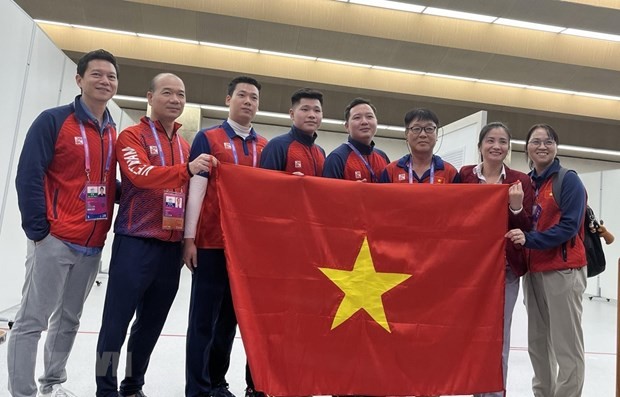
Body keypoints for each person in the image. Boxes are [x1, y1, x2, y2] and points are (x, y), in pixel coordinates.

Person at [95, 73, 215, 397]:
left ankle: (132, 385)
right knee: (115, 326)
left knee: (148, 328)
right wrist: (186, 170)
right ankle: (105, 390)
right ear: (150, 97)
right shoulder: (131, 137)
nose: (175, 99)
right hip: (134, 242)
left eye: (181, 94)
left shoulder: (185, 145)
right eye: (167, 93)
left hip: (170, 250)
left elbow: (191, 195)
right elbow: (140, 175)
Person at [9, 49, 119, 397]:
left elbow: (105, 183)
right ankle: (22, 392)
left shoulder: (113, 131)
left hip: (92, 243)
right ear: (79, 80)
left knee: (68, 321)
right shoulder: (54, 120)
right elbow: (28, 174)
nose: (105, 81)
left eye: (111, 76)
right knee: (31, 322)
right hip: (55, 239)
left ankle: (53, 383)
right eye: (97, 74)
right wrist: (39, 231)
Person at [184, 76, 268, 397]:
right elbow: (196, 190)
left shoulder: (265, 147)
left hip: (248, 252)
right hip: (211, 244)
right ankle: (198, 389)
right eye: (242, 95)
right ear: (228, 100)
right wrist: (188, 239)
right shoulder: (208, 138)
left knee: (231, 322)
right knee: (204, 322)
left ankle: (218, 383)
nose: (248, 101)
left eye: (254, 98)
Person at [506, 124, 587, 397]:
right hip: (534, 271)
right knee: (538, 343)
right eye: (536, 141)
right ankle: (543, 393)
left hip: (562, 271)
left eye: (549, 141)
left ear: (556, 147)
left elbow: (569, 226)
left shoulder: (568, 180)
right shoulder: (527, 183)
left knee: (566, 345)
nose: (542, 146)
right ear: (526, 147)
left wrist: (530, 240)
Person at [457, 122, 534, 397]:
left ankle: (494, 392)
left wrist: (515, 207)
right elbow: (453, 216)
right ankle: (474, 387)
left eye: (503, 142)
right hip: (470, 271)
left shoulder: (519, 180)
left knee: (499, 334)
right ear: (480, 146)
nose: (496, 146)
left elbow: (526, 225)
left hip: (505, 269)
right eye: (490, 140)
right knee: (471, 333)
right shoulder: (465, 176)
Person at [380, 108, 458, 184]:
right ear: (406, 134)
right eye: (416, 129)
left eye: (429, 129)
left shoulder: (450, 172)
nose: (423, 134)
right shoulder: (391, 171)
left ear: (437, 134)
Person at [259, 88, 326, 175]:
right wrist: (289, 183)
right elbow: (265, 183)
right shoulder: (277, 146)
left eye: (317, 110)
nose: (312, 115)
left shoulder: (321, 152)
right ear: (292, 114)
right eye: (305, 109)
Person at [323, 98, 389, 182]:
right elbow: (328, 193)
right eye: (357, 117)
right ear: (347, 126)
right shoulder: (337, 158)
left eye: (369, 117)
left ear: (376, 122)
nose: (364, 122)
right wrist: (352, 192)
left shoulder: (383, 157)